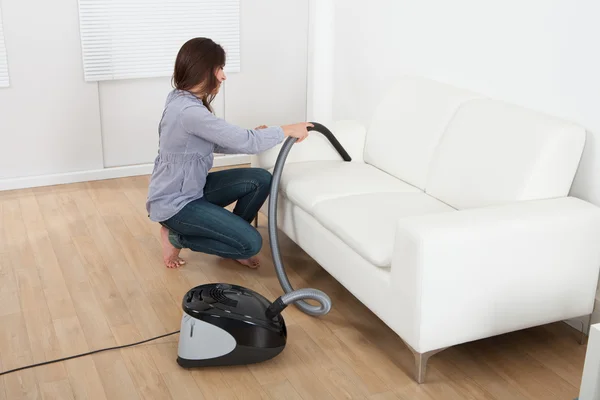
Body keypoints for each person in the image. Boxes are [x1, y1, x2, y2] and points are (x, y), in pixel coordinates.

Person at [146, 37, 312, 269]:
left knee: (260, 179)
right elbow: (245, 142)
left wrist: (254, 137)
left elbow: (216, 141)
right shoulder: (188, 111)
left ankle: (230, 239)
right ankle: (176, 237)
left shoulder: (181, 98)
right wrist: (286, 130)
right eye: (220, 68)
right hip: (176, 204)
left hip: (191, 189)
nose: (223, 76)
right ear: (204, 71)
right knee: (251, 244)